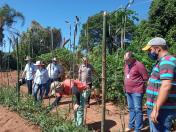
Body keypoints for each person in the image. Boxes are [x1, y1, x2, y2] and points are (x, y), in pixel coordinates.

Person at [142, 37, 176, 132]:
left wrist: (156, 109)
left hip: (162, 110)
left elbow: (166, 86)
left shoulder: (167, 61)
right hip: (159, 107)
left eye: (150, 49)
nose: (148, 52)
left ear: (158, 49)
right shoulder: (161, 61)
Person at [124, 51, 148, 132]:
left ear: (132, 58)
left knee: (138, 109)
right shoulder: (126, 65)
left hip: (137, 91)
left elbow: (145, 78)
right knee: (131, 108)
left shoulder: (139, 65)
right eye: (124, 60)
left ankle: (138, 128)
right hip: (128, 91)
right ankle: (131, 126)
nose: (125, 61)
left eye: (127, 59)